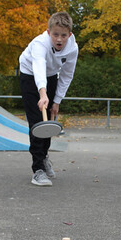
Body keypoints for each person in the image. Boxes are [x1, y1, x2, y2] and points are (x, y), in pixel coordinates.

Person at [19, 12, 78, 186]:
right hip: (30, 74)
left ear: (70, 34)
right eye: (55, 34)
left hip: (52, 75)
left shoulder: (73, 48)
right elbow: (38, 67)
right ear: (48, 32)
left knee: (49, 121)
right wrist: (43, 94)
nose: (59, 39)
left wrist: (56, 101)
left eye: (64, 35)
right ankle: (37, 170)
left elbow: (67, 75)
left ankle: (44, 157)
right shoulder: (40, 43)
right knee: (37, 122)